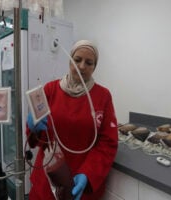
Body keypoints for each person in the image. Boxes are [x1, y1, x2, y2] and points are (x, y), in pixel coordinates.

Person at [26, 40, 118, 200]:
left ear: (94, 67)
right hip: (48, 180)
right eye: (77, 60)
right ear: (70, 61)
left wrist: (88, 173)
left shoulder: (103, 96)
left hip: (80, 185)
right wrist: (33, 127)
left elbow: (108, 142)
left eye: (89, 63)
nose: (82, 66)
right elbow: (37, 139)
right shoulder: (50, 90)